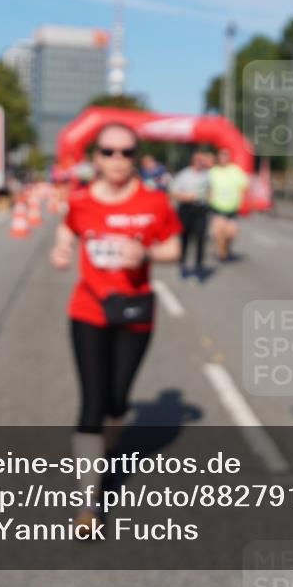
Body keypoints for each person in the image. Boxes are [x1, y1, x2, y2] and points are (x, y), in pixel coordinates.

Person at [49, 123, 182, 536]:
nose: (117, 160)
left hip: (135, 314)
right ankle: (87, 503)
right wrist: (61, 248)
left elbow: (174, 248)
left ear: (136, 156)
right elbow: (67, 227)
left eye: (126, 152)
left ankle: (105, 449)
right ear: (95, 157)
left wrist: (145, 251)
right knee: (92, 402)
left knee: (117, 402)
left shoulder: (155, 201)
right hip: (88, 310)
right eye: (108, 152)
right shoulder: (82, 200)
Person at [170, 151, 212, 280]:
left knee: (200, 238)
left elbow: (210, 189)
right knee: (185, 238)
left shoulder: (206, 175)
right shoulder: (184, 174)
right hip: (186, 209)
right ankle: (182, 264)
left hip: (201, 209)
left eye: (202, 161)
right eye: (197, 160)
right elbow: (173, 191)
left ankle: (199, 266)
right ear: (192, 161)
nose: (199, 163)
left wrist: (208, 198)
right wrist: (186, 196)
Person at [208, 149, 250, 262]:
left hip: (232, 208)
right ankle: (222, 255)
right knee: (220, 232)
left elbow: (244, 187)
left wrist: (244, 202)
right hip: (217, 207)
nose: (223, 159)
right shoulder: (213, 171)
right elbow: (208, 187)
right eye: (221, 156)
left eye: (225, 156)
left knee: (232, 234)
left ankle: (224, 248)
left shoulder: (236, 171)